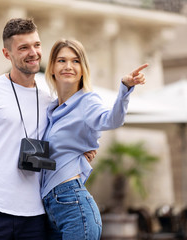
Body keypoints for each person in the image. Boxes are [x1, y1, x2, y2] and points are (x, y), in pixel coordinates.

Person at [0, 18, 95, 240]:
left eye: (37, 45)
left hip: (37, 215)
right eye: (23, 47)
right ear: (6, 54)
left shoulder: (51, 97)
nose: (33, 52)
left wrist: (82, 150)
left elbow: (64, 138)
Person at [41, 39, 148, 240]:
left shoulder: (87, 101)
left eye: (75, 61)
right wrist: (77, 152)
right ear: (52, 68)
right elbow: (45, 158)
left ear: (82, 70)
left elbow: (112, 120)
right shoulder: (51, 110)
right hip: (50, 207)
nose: (68, 66)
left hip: (72, 204)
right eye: (61, 60)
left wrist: (125, 89)